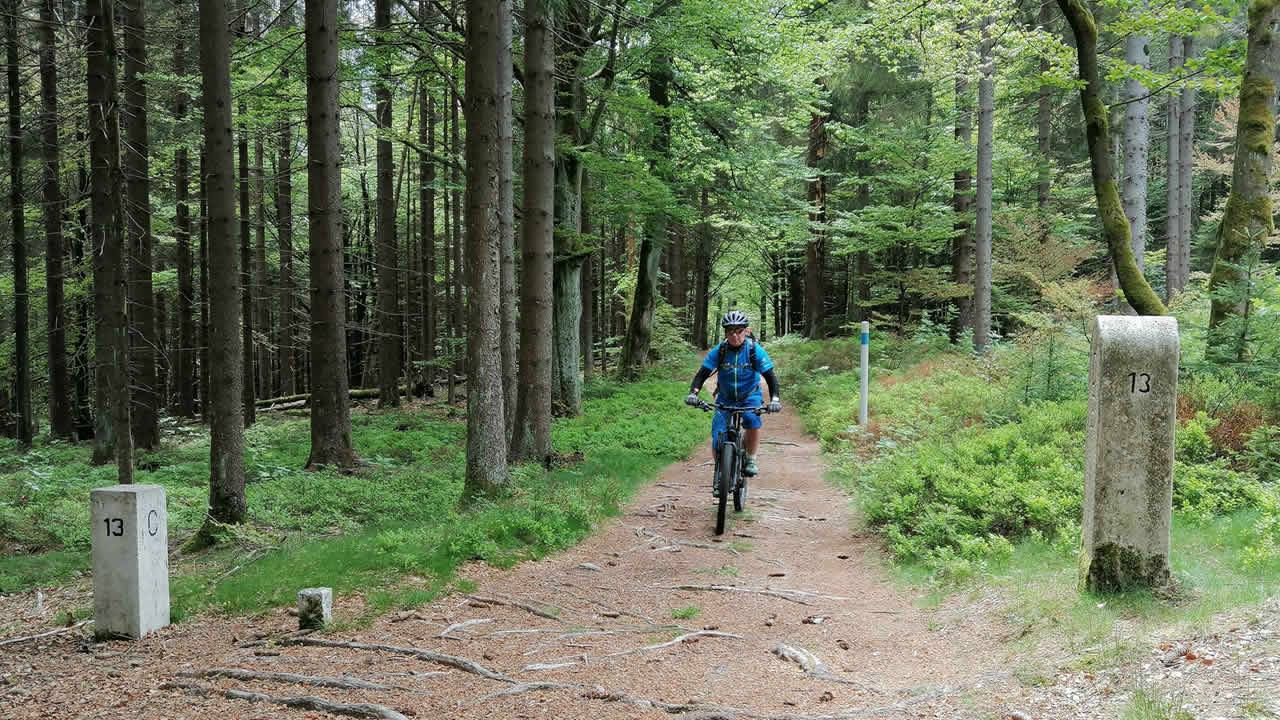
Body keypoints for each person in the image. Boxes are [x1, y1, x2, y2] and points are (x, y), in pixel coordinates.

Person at [685, 310, 782, 480]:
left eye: (739, 331)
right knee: (717, 436)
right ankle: (720, 472)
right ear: (725, 333)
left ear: (746, 331)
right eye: (730, 331)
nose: (735, 336)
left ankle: (750, 458)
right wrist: (693, 394)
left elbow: (770, 377)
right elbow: (702, 375)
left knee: (752, 420)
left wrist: (775, 399)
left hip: (749, 396)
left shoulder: (754, 350)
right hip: (725, 397)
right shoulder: (720, 351)